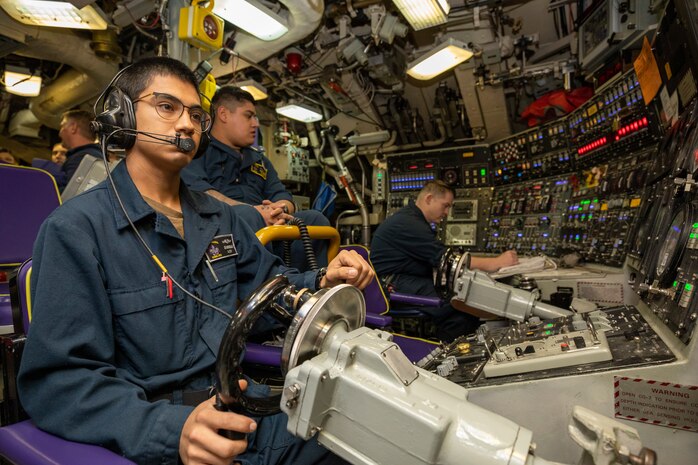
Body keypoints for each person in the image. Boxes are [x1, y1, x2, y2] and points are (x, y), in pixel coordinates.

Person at [18, 56, 373, 465]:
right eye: (167, 107)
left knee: (371, 436)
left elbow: (269, 289)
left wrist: (321, 280)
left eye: (195, 115)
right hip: (165, 435)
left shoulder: (221, 217)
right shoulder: (77, 230)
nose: (187, 124)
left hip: (244, 410)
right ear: (123, 113)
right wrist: (171, 431)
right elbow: (59, 383)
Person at [181, 87, 330, 271]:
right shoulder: (198, 152)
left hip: (267, 225)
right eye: (248, 116)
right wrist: (254, 211)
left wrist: (279, 209)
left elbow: (282, 195)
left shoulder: (260, 161)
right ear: (224, 114)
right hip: (221, 230)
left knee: (316, 219)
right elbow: (200, 193)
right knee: (248, 216)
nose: (256, 124)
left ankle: (309, 288)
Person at [370, 180, 518, 342]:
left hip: (402, 280)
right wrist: (495, 262)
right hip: (392, 285)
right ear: (429, 199)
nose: (447, 212)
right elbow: (446, 260)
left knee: (463, 298)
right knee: (459, 304)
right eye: (445, 205)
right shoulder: (408, 223)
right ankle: (446, 354)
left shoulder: (412, 219)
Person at [58, 108, 102, 190]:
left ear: (73, 127)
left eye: (62, 126)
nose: (60, 133)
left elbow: (68, 195)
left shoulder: (81, 158)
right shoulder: (97, 155)